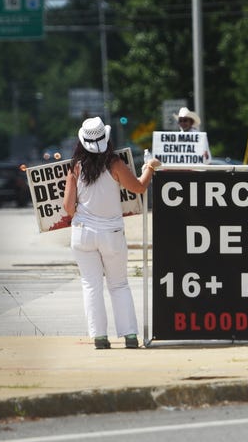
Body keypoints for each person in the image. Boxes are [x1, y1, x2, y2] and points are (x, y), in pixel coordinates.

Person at [63, 117, 161, 349]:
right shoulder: (114, 164)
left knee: (91, 285)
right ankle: (129, 336)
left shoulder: (75, 166)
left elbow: (68, 207)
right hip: (112, 233)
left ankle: (99, 338)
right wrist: (149, 168)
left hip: (82, 233)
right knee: (118, 285)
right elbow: (138, 187)